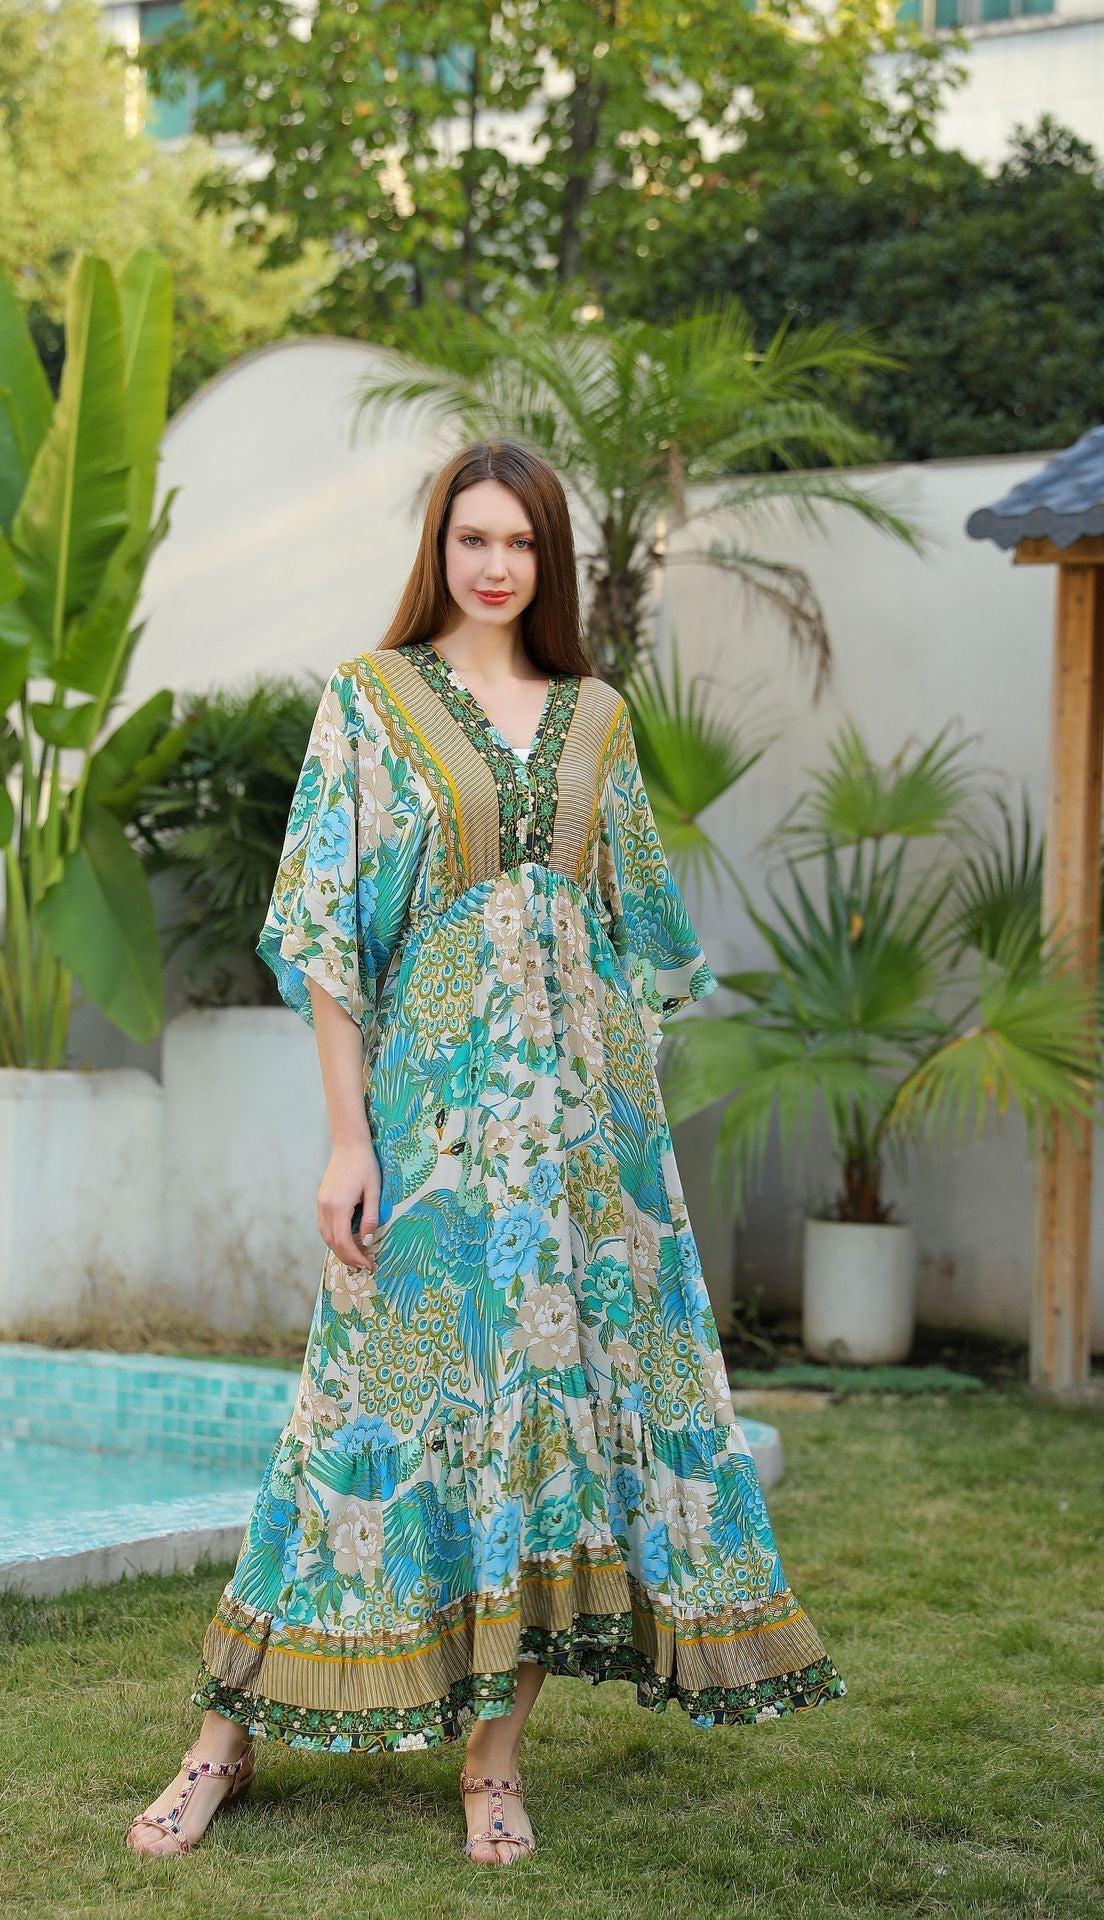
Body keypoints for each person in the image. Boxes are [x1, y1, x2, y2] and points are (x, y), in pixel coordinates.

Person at [126, 438, 846, 1866]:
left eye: (521, 541)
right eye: (473, 539)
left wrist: (619, 1154)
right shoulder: (371, 702)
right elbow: (328, 937)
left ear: (550, 559)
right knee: (354, 1426)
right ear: (439, 550)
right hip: (428, 1138)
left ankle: (495, 1765)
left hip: (580, 1156)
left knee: (545, 1442)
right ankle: (220, 1742)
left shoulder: (598, 720)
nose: (497, 565)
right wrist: (349, 1143)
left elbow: (639, 936)